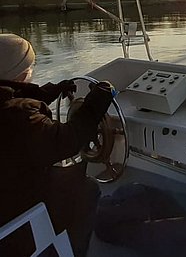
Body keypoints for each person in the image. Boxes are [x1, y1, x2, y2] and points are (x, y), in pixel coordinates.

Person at [0, 33, 115, 257]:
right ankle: (74, 250)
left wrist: (48, 92)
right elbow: (69, 140)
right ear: (23, 73)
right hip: (14, 215)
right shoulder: (19, 117)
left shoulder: (13, 110)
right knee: (87, 188)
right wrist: (97, 102)